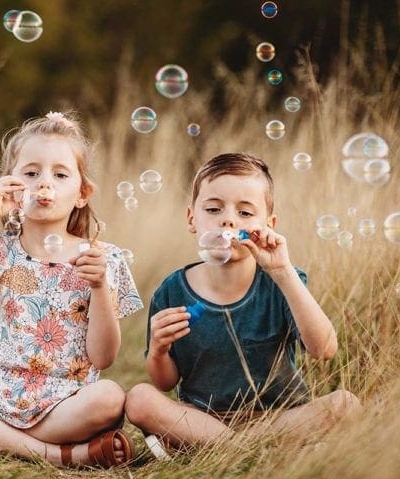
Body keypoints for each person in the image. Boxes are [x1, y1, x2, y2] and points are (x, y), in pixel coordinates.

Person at [0, 112, 142, 467]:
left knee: (109, 398)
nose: (44, 184)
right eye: (31, 173)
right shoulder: (0, 250)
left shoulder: (99, 258)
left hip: (65, 403)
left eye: (60, 174)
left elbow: (104, 358)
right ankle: (60, 455)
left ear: (82, 193)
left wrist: (98, 288)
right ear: (11, 185)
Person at [125, 152, 361, 454]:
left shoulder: (281, 281)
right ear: (191, 219)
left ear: (269, 225)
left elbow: (324, 350)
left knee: (345, 405)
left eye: (246, 213)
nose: (228, 219)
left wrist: (283, 272)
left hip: (279, 417)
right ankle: (253, 449)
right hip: (202, 419)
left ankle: (227, 449)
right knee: (139, 398)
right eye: (213, 208)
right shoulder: (172, 290)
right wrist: (158, 350)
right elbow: (165, 383)